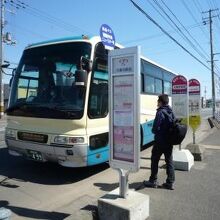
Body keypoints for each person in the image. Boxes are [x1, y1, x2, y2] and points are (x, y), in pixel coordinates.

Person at [144, 94, 175, 190]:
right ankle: (170, 182)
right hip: (169, 141)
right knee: (169, 161)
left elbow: (155, 128)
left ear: (160, 102)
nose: (157, 103)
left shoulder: (160, 112)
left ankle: (153, 180)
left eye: (158, 101)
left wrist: (154, 130)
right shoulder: (171, 111)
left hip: (160, 141)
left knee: (154, 160)